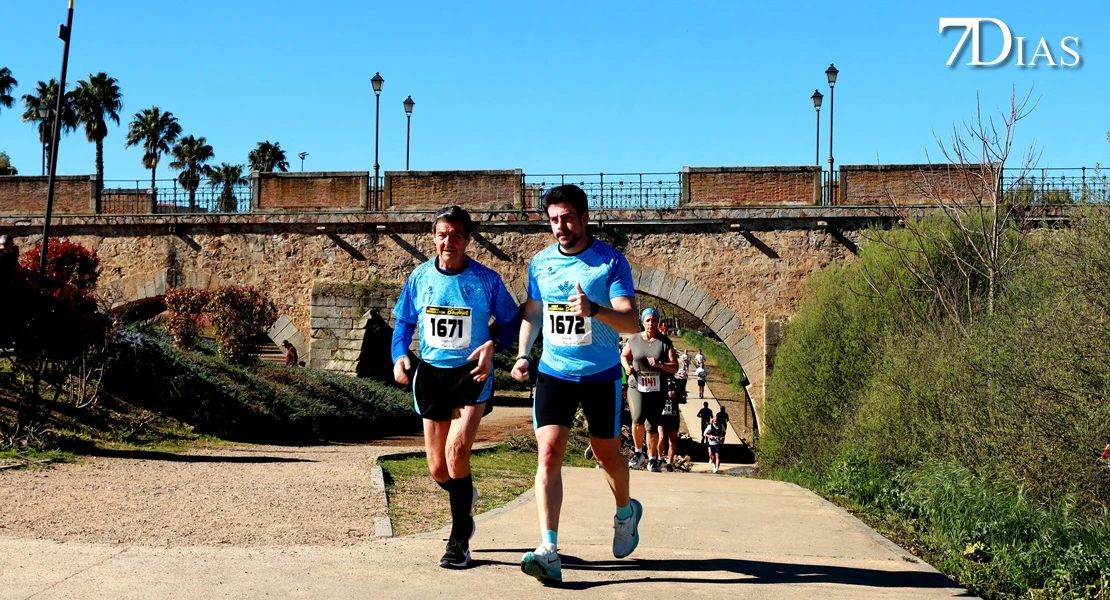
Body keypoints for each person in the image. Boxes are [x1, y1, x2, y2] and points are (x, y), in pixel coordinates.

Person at [511, 184, 642, 584]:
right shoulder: (540, 264)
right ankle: (549, 549)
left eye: (567, 218)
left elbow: (631, 321)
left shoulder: (610, 262)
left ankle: (625, 513)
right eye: (553, 220)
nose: (560, 227)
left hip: (601, 375)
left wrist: (595, 309)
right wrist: (522, 355)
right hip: (554, 371)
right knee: (548, 453)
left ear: (585, 218)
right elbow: (533, 313)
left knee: (607, 457)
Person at [391, 205, 520, 570]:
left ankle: (459, 538)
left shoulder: (487, 280)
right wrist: (399, 355)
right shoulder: (419, 278)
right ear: (434, 237)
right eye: (443, 234)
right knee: (437, 468)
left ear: (467, 239)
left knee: (457, 453)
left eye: (456, 235)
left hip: (471, 375)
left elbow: (510, 324)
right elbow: (403, 326)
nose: (449, 241)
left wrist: (493, 344)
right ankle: (465, 499)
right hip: (431, 375)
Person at [622, 307, 678, 473]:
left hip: (657, 388)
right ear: (643, 322)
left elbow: (674, 367)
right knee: (637, 417)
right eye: (648, 320)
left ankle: (652, 459)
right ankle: (638, 453)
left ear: (658, 322)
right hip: (636, 385)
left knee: (652, 425)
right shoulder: (634, 340)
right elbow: (624, 356)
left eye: (654, 320)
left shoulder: (665, 343)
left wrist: (660, 365)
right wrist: (627, 367)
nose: (650, 323)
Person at [658, 380, 682, 472]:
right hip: (662, 416)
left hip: (673, 416)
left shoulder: (677, 382)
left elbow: (683, 398)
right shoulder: (659, 379)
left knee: (672, 441)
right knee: (661, 438)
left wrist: (676, 395)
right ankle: (659, 459)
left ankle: (669, 463)